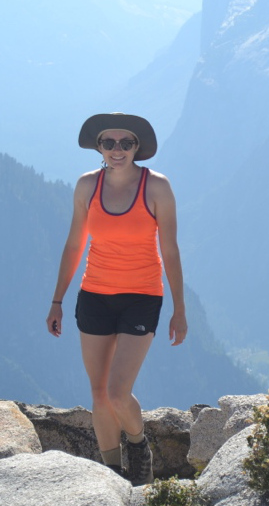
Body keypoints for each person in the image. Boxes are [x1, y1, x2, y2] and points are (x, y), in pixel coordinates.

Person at [46, 113, 188, 486]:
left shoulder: (157, 187)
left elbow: (170, 250)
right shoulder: (86, 187)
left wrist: (180, 309)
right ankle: (112, 473)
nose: (118, 150)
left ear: (138, 147)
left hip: (142, 296)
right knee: (98, 393)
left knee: (117, 392)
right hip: (94, 295)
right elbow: (75, 244)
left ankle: (139, 448)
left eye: (126, 143)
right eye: (109, 143)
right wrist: (57, 300)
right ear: (99, 147)